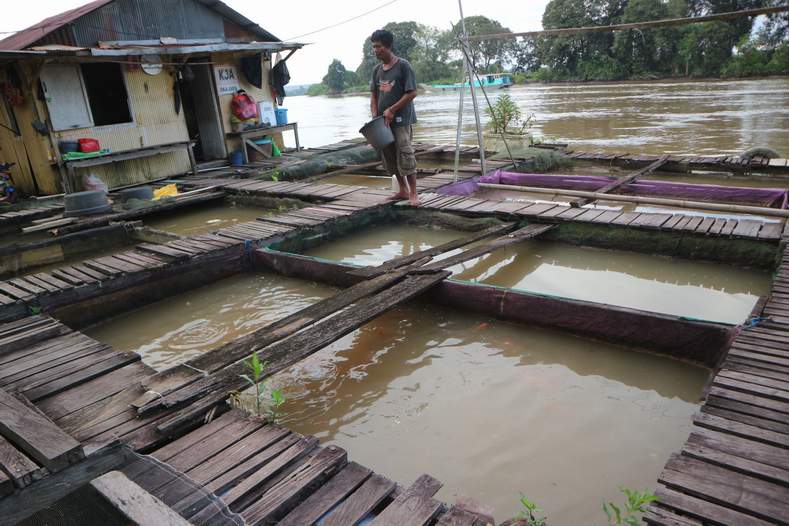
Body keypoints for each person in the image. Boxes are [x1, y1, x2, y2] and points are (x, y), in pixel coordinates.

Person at [369, 29, 420, 206]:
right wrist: (375, 115)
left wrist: (392, 110)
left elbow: (412, 92)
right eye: (374, 47)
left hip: (400, 120)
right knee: (389, 156)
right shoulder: (377, 70)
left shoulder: (403, 66)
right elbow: (374, 95)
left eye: (379, 47)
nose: (376, 50)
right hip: (383, 122)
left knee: (405, 154)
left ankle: (414, 193)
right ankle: (402, 190)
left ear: (389, 46)